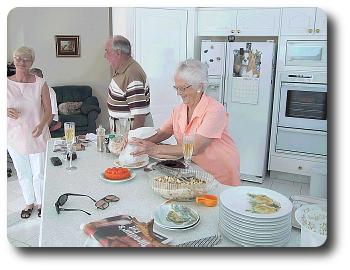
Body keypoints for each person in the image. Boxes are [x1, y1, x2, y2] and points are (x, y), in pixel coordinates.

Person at [130, 59, 240, 186]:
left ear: (200, 86)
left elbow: (195, 148)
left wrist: (155, 149)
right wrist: (138, 142)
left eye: (183, 88)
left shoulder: (215, 110)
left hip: (220, 171)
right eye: (176, 88)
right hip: (195, 168)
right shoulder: (179, 110)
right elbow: (163, 133)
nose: (178, 93)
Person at [7, 47, 52, 218]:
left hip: (36, 134)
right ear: (13, 60)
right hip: (14, 136)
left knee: (39, 172)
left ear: (32, 62)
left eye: (26, 59)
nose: (21, 62)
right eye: (18, 58)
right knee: (23, 172)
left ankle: (41, 202)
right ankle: (29, 202)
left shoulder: (41, 83)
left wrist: (42, 125)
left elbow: (48, 110)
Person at [104, 35, 153, 133]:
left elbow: (139, 115)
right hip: (122, 130)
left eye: (107, 52)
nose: (105, 56)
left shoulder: (132, 74)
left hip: (130, 134)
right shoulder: (123, 69)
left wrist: (131, 139)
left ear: (118, 52)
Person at [30, 68, 62, 132]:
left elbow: (52, 113)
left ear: (41, 79)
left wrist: (43, 128)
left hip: (49, 118)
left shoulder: (50, 91)